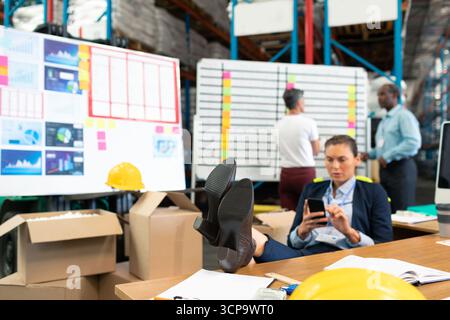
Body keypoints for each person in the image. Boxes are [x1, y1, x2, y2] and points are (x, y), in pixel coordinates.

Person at [214, 135, 393, 272]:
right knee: (249, 235)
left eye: (342, 159)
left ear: (357, 159)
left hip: (346, 260)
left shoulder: (374, 192)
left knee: (245, 250)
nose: (335, 166)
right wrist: (303, 230)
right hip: (307, 256)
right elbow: (293, 243)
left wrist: (350, 233)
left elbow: (384, 247)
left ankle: (220, 236)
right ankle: (217, 227)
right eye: (329, 160)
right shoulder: (312, 190)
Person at [360, 84, 421, 213]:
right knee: (388, 209)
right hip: (386, 171)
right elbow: (382, 148)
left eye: (382, 94)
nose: (379, 98)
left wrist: (387, 156)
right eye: (378, 95)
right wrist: (369, 155)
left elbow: (413, 142)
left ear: (394, 96)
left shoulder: (404, 116)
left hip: (401, 169)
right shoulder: (385, 120)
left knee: (402, 211)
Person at [275, 88, 320, 211]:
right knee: (310, 212)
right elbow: (316, 150)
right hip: (305, 174)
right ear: (299, 102)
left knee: (288, 216)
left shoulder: (278, 124)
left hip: (286, 175)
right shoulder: (309, 123)